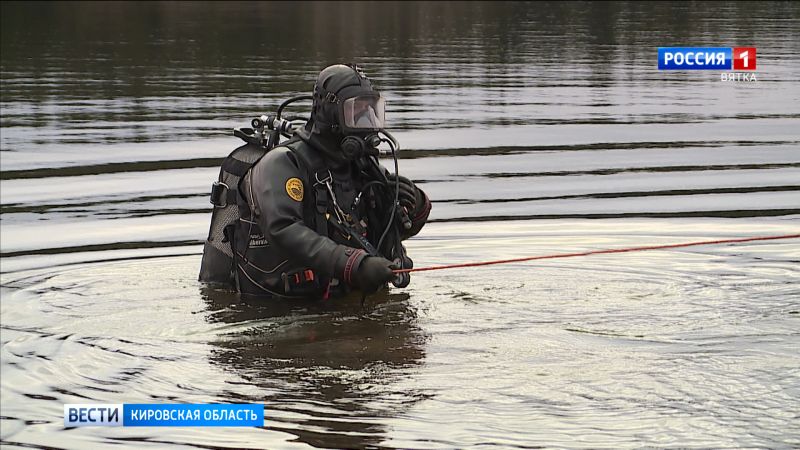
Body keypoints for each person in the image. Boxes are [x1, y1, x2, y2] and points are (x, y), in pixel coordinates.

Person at [199, 64, 431, 299]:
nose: (367, 122)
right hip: (279, 307)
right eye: (356, 113)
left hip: (338, 301)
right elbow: (283, 229)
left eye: (372, 112)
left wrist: (416, 206)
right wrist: (355, 265)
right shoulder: (282, 164)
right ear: (330, 112)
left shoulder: (363, 167)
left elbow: (390, 230)